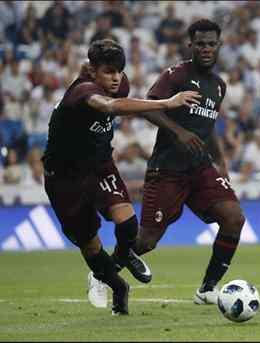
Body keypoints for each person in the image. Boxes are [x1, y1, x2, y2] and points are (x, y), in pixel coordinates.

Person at [43, 39, 201, 315]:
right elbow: (108, 106)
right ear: (93, 71)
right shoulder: (83, 91)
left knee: (128, 223)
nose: (116, 78)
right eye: (108, 71)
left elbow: (120, 99)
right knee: (90, 244)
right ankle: (118, 287)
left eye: (119, 71)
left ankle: (125, 254)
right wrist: (168, 102)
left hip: (100, 166)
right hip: (64, 179)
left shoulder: (116, 81)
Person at [134, 19, 245, 305]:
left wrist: (222, 164)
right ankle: (102, 272)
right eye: (200, 44)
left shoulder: (219, 86)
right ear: (191, 45)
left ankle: (207, 288)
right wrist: (179, 131)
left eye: (211, 44)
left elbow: (209, 129)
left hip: (200, 168)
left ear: (219, 46)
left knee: (234, 218)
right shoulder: (177, 75)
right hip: (168, 169)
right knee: (146, 241)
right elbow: (148, 106)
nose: (206, 49)